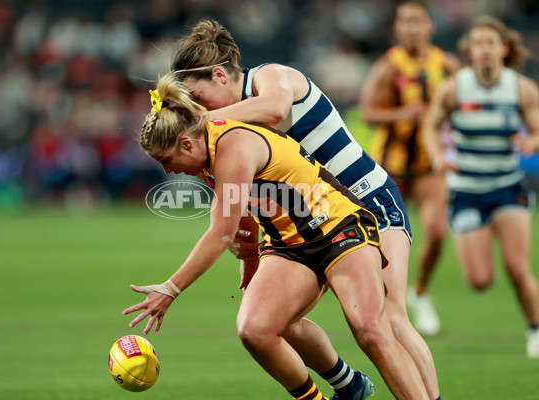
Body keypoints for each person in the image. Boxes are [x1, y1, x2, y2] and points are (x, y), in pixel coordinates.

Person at [171, 19, 441, 399]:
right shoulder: (230, 131)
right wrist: (249, 256)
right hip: (317, 223)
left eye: (198, 98)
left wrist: (202, 120)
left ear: (219, 75)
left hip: (369, 199)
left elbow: (278, 108)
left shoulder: (270, 77)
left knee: (387, 321)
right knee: (273, 323)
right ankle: (349, 385)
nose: (199, 110)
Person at [423, 15, 539, 358]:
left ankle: (535, 329)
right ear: (469, 50)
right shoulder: (454, 87)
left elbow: (536, 128)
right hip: (466, 189)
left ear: (503, 48)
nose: (485, 50)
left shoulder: (520, 88)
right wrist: (437, 156)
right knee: (479, 281)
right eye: (478, 44)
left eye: (491, 43)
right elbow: (430, 125)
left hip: (506, 186)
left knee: (518, 267)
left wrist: (533, 142)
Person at [359, 1, 460, 336]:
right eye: (405, 22)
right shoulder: (388, 67)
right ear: (397, 29)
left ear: (429, 26)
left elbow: (463, 104)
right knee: (376, 240)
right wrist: (403, 114)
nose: (412, 28)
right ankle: (383, 303)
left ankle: (420, 292)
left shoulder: (446, 64)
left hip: (430, 164)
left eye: (418, 21)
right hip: (391, 167)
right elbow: (368, 112)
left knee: (435, 232)